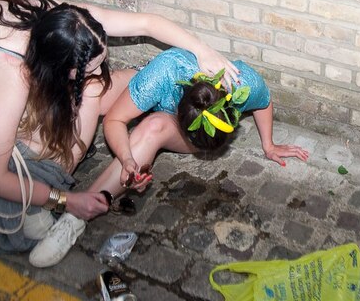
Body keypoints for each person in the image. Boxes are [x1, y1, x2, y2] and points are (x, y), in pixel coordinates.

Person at [0, 0, 238, 267]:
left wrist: (203, 51)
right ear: (59, 69)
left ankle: (40, 165)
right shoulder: (12, 75)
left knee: (88, 99)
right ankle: (30, 183)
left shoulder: (67, 20)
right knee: (48, 140)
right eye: (88, 68)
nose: (99, 72)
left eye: (101, 60)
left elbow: (146, 23)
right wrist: (66, 200)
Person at [89, 47, 310, 203]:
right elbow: (114, 120)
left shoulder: (245, 84)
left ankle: (87, 207)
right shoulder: (163, 73)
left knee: (153, 126)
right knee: (92, 94)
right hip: (153, 77)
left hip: (160, 107)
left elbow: (264, 102)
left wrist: (269, 145)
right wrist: (126, 157)